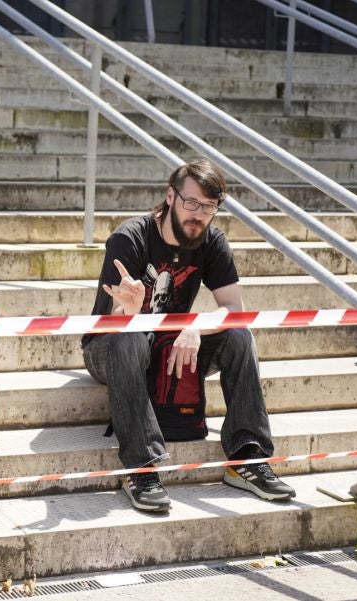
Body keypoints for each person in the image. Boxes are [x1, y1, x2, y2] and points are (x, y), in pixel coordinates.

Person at [82, 159, 295, 512]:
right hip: (110, 346)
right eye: (191, 202)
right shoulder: (129, 239)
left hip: (171, 347)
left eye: (209, 206)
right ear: (170, 196)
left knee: (239, 335)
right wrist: (132, 312)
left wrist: (195, 326)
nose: (198, 213)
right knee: (130, 337)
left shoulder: (211, 241)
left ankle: (247, 455)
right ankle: (141, 466)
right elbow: (112, 321)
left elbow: (233, 309)